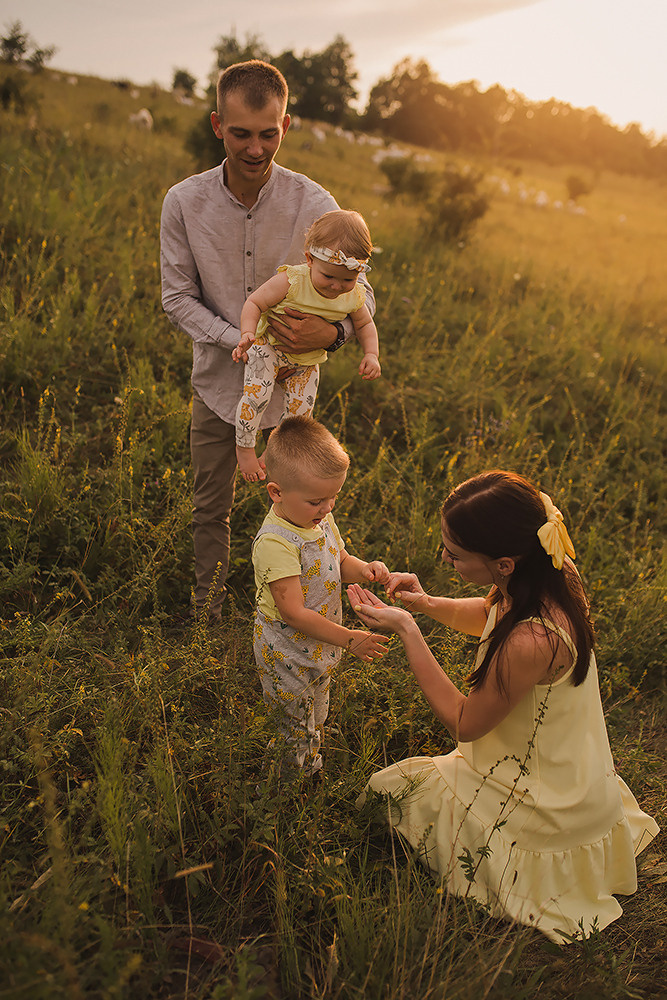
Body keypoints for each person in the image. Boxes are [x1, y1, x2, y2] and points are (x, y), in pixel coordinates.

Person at [348, 471, 659, 942]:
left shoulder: (530, 642)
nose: (445, 558)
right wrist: (425, 602)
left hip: (541, 800)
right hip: (572, 775)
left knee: (387, 793)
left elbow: (464, 723)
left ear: (504, 563)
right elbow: (490, 612)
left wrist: (409, 631)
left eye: (455, 554)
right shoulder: (550, 572)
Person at [160, 60, 375, 622]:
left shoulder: (316, 204)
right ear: (217, 125)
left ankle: (301, 618)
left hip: (294, 395)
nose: (255, 149)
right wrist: (245, 340)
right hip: (218, 387)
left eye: (267, 134)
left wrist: (332, 333)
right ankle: (207, 618)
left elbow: (362, 293)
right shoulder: (183, 202)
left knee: (306, 512)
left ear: (286, 126)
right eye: (240, 134)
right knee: (211, 509)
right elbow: (177, 297)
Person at [253, 416, 390, 776]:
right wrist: (350, 639)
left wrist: (364, 569)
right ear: (276, 492)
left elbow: (339, 559)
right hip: (287, 650)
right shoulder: (276, 543)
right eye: (317, 500)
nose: (328, 508)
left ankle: (306, 762)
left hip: (320, 643)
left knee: (316, 712)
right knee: (293, 727)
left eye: (333, 497)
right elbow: (294, 614)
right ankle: (286, 788)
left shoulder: (318, 519)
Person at [232, 209, 381, 482]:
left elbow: (364, 325)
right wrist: (247, 333)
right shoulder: (292, 281)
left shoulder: (353, 295)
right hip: (269, 347)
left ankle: (274, 451)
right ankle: (244, 448)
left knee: (300, 416)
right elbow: (255, 302)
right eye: (329, 277)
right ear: (310, 259)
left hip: (307, 360)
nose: (336, 287)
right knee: (257, 395)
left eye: (347, 280)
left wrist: (371, 354)